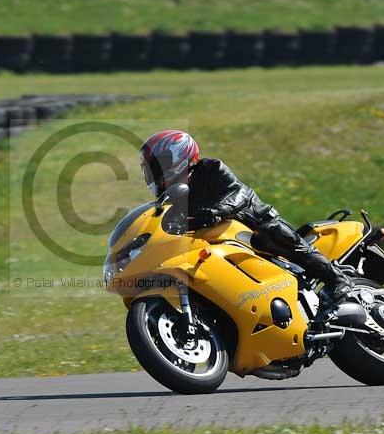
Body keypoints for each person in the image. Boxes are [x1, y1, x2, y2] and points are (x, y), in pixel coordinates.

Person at [139, 130, 352, 307]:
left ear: (178, 156)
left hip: (252, 223)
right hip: (215, 241)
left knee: (271, 234)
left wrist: (218, 210)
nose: (153, 173)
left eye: (157, 166)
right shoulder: (172, 198)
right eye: (150, 169)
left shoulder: (211, 169)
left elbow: (238, 193)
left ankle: (336, 279)